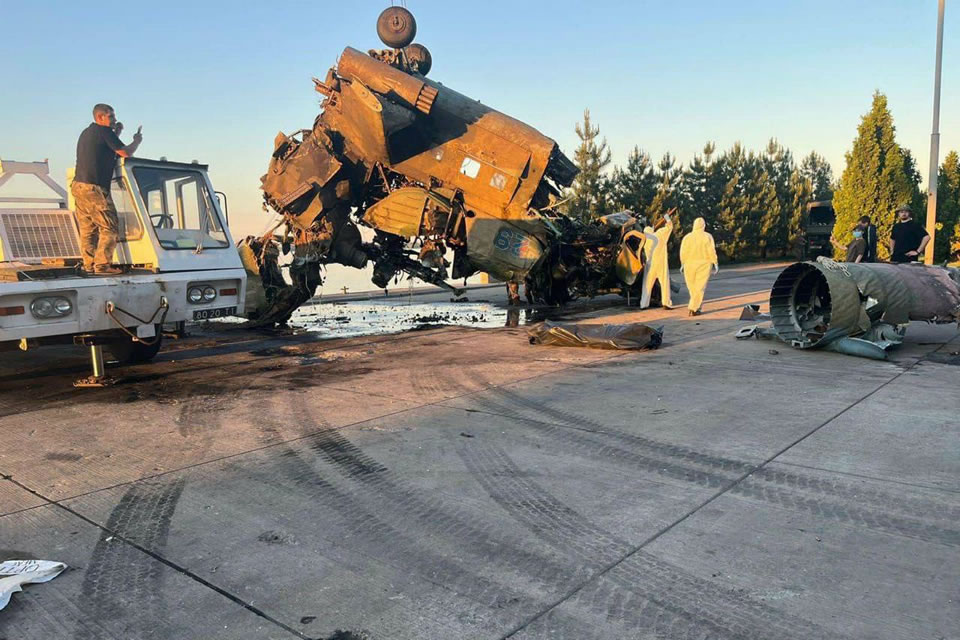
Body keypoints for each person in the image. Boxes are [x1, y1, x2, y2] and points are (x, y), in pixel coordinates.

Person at [72, 103, 142, 274]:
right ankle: (102, 265)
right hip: (94, 186)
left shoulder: (88, 133)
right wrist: (136, 140)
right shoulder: (103, 131)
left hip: (78, 186)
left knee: (88, 229)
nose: (114, 119)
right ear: (100, 117)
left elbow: (107, 147)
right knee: (110, 227)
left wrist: (116, 132)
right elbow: (125, 152)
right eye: (111, 116)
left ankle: (89, 266)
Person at [679, 217, 719, 316]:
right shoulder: (707, 236)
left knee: (692, 287)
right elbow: (711, 250)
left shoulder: (687, 237)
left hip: (689, 264)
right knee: (699, 287)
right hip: (704, 264)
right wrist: (715, 262)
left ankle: (694, 307)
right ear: (704, 225)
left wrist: (682, 263)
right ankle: (694, 308)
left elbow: (683, 251)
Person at [640, 212, 674, 309]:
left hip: (650, 266)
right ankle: (666, 303)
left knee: (647, 285)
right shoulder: (659, 235)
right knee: (664, 283)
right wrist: (667, 218)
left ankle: (643, 304)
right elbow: (669, 227)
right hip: (661, 264)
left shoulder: (644, 240)